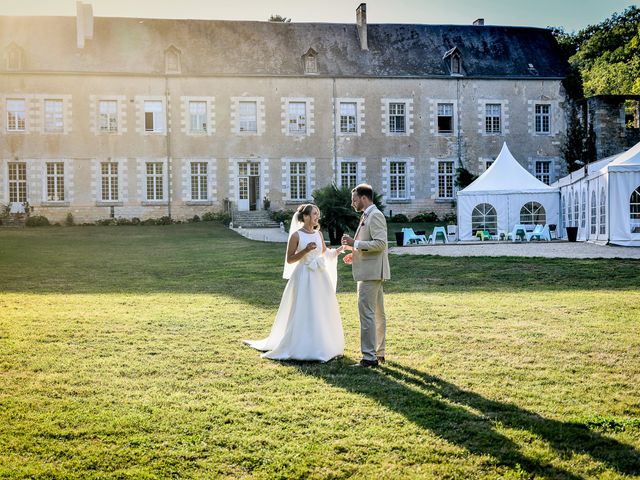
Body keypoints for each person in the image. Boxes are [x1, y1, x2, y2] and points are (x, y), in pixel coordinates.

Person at [244, 204, 344, 362]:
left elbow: (324, 252)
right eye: (314, 214)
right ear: (305, 217)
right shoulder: (296, 236)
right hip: (304, 275)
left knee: (319, 309)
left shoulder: (319, 233)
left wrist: (337, 251)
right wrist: (305, 251)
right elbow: (290, 259)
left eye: (318, 214)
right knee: (304, 308)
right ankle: (300, 344)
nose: (317, 216)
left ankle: (321, 344)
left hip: (319, 277)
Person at [341, 184, 390, 367]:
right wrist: (354, 252)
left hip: (371, 273)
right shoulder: (367, 215)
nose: (352, 203)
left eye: (354, 200)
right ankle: (379, 352)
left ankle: (369, 357)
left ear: (364, 198)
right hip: (371, 270)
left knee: (367, 314)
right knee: (377, 313)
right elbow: (368, 244)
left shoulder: (375, 215)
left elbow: (380, 244)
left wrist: (355, 243)